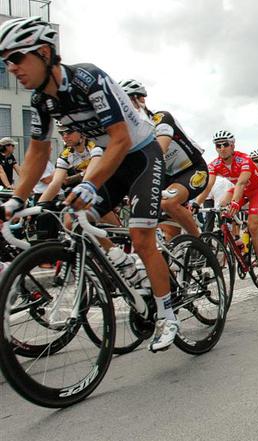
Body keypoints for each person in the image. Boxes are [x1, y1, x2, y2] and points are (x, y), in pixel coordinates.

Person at [0, 16, 180, 351]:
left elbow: (120, 139)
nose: (11, 68)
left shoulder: (87, 79)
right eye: (6, 61)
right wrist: (16, 200)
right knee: (72, 221)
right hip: (112, 157)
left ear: (43, 52)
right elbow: (37, 153)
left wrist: (90, 184)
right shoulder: (42, 101)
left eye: (17, 57)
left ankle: (167, 316)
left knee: (141, 236)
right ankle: (127, 267)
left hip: (141, 155)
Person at [119, 79, 207, 241]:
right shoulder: (130, 132)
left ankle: (201, 246)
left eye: (128, 101)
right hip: (166, 178)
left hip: (192, 169)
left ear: (141, 99)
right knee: (169, 236)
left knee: (167, 203)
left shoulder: (161, 118)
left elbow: (158, 152)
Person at [196, 130, 258, 282]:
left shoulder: (244, 159)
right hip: (239, 189)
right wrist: (196, 203)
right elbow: (208, 185)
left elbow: (242, 182)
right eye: (218, 145)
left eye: (225, 144)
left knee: (253, 226)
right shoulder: (215, 164)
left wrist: (236, 202)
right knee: (221, 205)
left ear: (232, 145)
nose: (222, 148)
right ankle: (236, 240)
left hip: (257, 190)